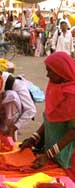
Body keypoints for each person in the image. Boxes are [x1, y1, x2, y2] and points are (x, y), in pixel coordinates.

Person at [20, 52, 75, 181]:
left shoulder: (72, 96)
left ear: (61, 71)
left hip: (68, 155)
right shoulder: (54, 87)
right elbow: (51, 119)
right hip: (54, 151)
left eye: (51, 71)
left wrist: (48, 154)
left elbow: (73, 132)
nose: (47, 74)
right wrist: (34, 138)